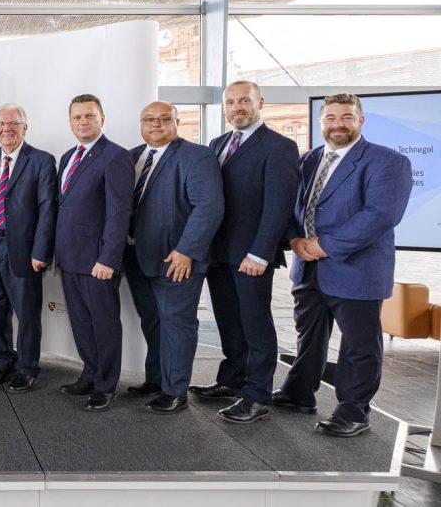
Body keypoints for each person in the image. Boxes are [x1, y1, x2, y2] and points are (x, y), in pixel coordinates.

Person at [278, 93, 412, 437]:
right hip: (307, 267)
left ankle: (353, 412)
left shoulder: (387, 162)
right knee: (309, 335)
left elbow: (381, 215)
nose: (338, 124)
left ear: (361, 121)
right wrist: (295, 241)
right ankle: (299, 394)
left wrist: (323, 246)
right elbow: (293, 207)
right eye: (331, 118)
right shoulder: (307, 160)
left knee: (359, 344)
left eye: (347, 117)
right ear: (320, 123)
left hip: (356, 269)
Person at [190, 81, 300, 424]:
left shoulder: (280, 146)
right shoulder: (218, 144)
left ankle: (257, 395)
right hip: (219, 252)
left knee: (255, 323)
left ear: (260, 103)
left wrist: (261, 253)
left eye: (244, 101)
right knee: (227, 320)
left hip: (251, 255)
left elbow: (278, 206)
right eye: (231, 102)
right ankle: (231, 379)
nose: (237, 107)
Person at [123, 101, 223, 414]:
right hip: (137, 256)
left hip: (176, 260)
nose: (156, 124)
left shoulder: (197, 156)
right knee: (152, 322)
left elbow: (209, 208)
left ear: (177, 122)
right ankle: (156, 380)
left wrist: (187, 251)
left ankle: (175, 390)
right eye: (149, 119)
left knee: (177, 324)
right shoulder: (133, 156)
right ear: (141, 123)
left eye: (164, 119)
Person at [55, 94, 134, 412]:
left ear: (103, 118)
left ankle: (106, 384)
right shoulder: (67, 157)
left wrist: (108, 259)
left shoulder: (115, 156)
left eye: (89, 116)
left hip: (97, 260)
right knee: (81, 322)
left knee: (103, 323)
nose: (82, 122)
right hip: (70, 257)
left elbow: (119, 213)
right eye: (76, 117)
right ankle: (89, 373)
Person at [0, 103, 57, 392]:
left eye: (13, 123)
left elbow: (48, 209)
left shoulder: (42, 160)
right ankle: (2, 362)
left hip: (24, 250)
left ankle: (26, 367)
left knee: (26, 313)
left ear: (25, 127)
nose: (6, 129)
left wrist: (41, 252)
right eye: (0, 124)